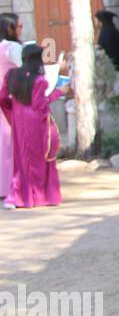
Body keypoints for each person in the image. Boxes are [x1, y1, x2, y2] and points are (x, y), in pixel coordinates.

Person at [0, 43, 66, 210]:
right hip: (36, 121)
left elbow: (2, 97)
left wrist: (13, 109)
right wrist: (59, 92)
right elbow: (40, 104)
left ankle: (21, 196)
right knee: (40, 157)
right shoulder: (39, 80)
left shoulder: (11, 75)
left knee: (22, 159)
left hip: (19, 120)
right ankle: (42, 196)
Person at [0, 13, 24, 205]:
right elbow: (25, 69)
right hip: (10, 98)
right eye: (19, 25)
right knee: (10, 143)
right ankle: (11, 186)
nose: (21, 28)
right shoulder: (12, 47)